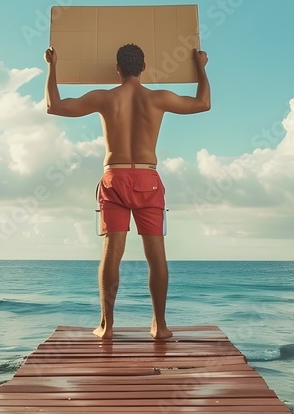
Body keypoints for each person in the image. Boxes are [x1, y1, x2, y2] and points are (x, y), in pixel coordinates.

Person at [44, 43, 210, 340]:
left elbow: (54, 106)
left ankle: (106, 327)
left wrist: (52, 66)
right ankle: (160, 326)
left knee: (112, 253)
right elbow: (203, 104)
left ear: (117, 69)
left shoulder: (105, 98)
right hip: (148, 178)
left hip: (114, 178)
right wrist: (201, 66)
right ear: (143, 67)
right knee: (156, 256)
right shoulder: (158, 98)